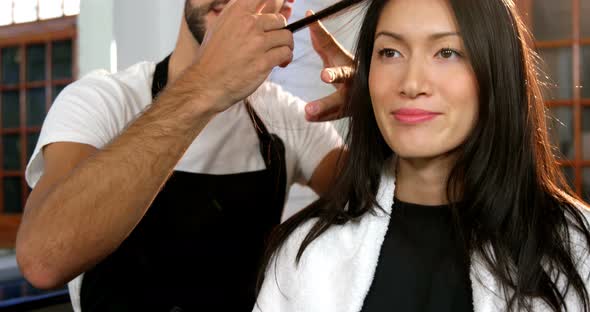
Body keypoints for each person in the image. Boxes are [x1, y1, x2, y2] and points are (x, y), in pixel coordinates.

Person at [255, 0, 590, 311]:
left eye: (446, 52)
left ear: (498, 70)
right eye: (390, 52)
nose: (412, 83)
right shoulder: (307, 254)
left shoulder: (577, 249)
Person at [15, 0, 348, 311]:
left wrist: (381, 114)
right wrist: (205, 85)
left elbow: (377, 208)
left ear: (285, 8)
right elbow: (44, 260)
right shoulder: (100, 101)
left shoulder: (288, 117)